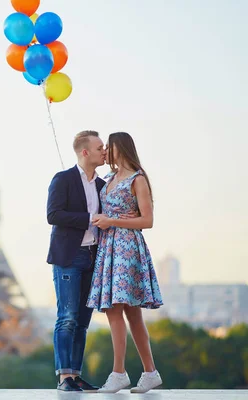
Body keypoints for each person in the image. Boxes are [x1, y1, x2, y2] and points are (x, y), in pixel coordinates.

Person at [87, 132, 164, 394]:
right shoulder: (108, 179)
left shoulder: (137, 179)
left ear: (122, 147)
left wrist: (112, 221)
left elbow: (147, 221)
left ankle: (119, 372)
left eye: (110, 146)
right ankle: (150, 372)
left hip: (126, 247)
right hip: (109, 247)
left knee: (116, 309)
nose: (106, 150)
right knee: (130, 313)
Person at [46, 130, 106, 392]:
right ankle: (63, 378)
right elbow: (53, 214)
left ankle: (75, 375)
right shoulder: (63, 179)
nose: (104, 151)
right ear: (85, 152)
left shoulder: (103, 186)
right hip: (69, 257)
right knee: (67, 317)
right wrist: (89, 219)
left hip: (93, 258)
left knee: (82, 321)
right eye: (100, 147)